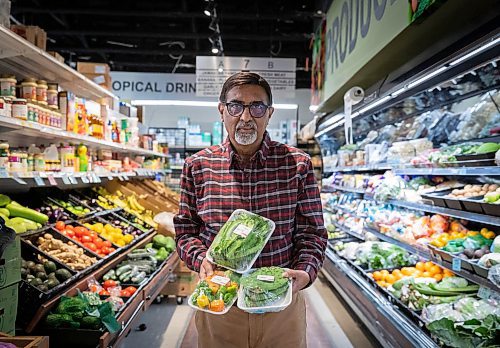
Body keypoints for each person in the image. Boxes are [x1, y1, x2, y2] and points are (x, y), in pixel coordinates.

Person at [174, 72, 327, 348]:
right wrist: (201, 261)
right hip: (220, 304)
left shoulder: (297, 164)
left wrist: (305, 273)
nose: (246, 117)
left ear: (269, 113)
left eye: (256, 107)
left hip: (282, 306)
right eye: (235, 106)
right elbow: (186, 231)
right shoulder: (197, 166)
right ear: (222, 110)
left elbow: (312, 233)